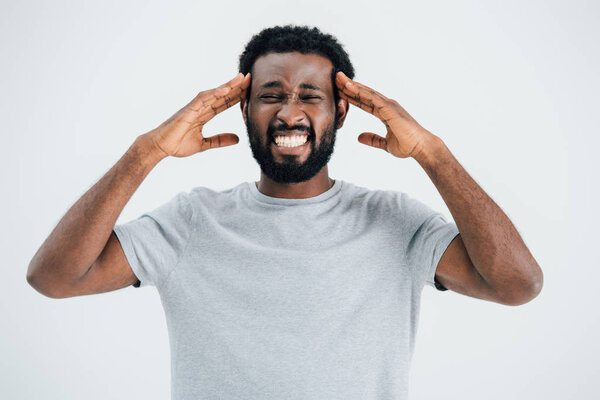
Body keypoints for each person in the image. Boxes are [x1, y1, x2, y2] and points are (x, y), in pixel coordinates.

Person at [27, 25, 543, 400]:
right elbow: (54, 278)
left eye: (309, 97)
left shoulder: (394, 223)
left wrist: (433, 153)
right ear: (244, 108)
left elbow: (517, 285)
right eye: (270, 95)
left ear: (339, 111)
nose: (289, 112)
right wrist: (146, 152)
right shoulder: (192, 222)